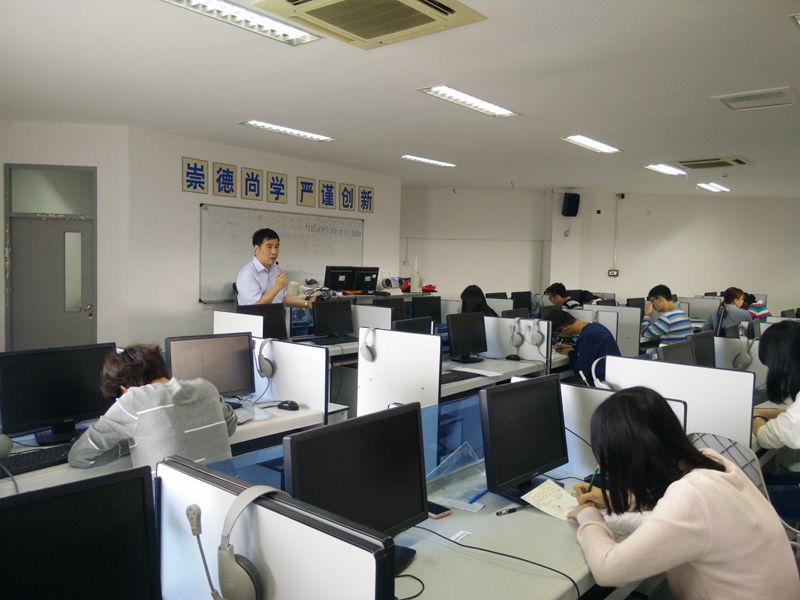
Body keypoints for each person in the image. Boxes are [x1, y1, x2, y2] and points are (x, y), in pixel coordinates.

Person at [570, 387, 799, 599]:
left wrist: (588, 515)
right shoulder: (708, 461)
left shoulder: (691, 497)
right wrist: (617, 499)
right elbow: (672, 499)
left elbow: (608, 570)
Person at [68, 344, 237, 470]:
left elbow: (79, 456)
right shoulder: (207, 387)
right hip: (230, 499)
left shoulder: (134, 399)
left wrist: (129, 443)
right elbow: (230, 427)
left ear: (123, 389)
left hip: (176, 505)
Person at [235, 228, 316, 309]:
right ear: (256, 249)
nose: (274, 252)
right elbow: (257, 306)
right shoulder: (247, 274)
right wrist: (277, 287)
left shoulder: (275, 269)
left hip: (276, 314)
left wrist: (307, 303)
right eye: (269, 247)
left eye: (276, 247)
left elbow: (283, 297)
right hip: (256, 317)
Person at [545, 310, 620, 385]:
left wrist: (570, 353)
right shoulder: (594, 327)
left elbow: (581, 372)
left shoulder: (589, 334)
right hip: (612, 377)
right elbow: (592, 349)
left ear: (564, 329)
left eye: (558, 334)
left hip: (604, 384)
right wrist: (572, 347)